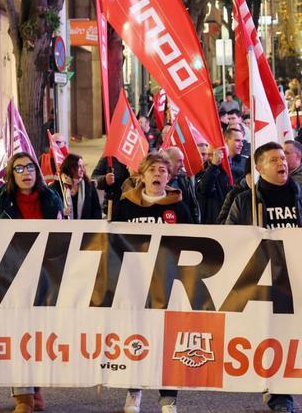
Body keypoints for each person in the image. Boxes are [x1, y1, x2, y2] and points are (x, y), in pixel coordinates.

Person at [225, 143, 302, 413]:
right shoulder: (245, 201)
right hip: (260, 280)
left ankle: (281, 392)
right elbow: (227, 236)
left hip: (296, 278)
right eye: (273, 160)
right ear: (259, 167)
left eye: (283, 158)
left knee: (288, 336)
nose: (282, 163)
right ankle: (272, 386)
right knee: (265, 335)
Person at [113, 154, 190, 413]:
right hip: (134, 282)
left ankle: (168, 397)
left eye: (163, 170)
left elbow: (192, 240)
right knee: (135, 335)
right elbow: (114, 242)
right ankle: (134, 391)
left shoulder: (179, 206)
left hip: (168, 281)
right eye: (152, 170)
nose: (157, 174)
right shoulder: (125, 205)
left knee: (167, 338)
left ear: (169, 177)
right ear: (142, 176)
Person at [0, 152, 63, 413]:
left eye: (30, 167)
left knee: (40, 334)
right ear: (11, 174)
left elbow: (62, 234)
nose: (26, 172)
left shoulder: (51, 198)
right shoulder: (2, 200)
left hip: (45, 274)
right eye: (19, 168)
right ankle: (23, 395)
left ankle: (36, 388)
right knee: (18, 333)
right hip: (14, 274)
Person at [197, 128, 246, 224]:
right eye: (237, 140)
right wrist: (214, 165)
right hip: (215, 218)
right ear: (226, 141)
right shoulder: (210, 166)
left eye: (242, 141)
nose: (241, 144)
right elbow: (204, 189)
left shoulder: (244, 164)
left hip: (237, 217)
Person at [51, 153, 103, 220]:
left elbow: (96, 210)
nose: (82, 169)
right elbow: (50, 209)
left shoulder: (89, 186)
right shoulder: (56, 186)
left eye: (83, 166)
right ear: (71, 168)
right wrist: (61, 212)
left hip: (85, 225)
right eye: (79, 166)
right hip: (63, 226)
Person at [163, 147, 201, 223]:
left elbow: (192, 206)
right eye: (179, 161)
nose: (182, 165)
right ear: (168, 161)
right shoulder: (157, 183)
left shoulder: (184, 179)